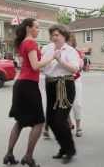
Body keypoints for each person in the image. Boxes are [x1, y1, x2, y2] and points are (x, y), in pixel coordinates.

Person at [3, 18, 55, 167]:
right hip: (28, 85)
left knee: (20, 121)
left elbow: (29, 65)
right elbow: (35, 65)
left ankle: (9, 154)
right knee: (39, 122)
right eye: (37, 27)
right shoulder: (30, 43)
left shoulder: (23, 43)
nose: (38, 30)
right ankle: (28, 157)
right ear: (28, 28)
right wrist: (52, 57)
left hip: (20, 84)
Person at [42, 24, 79, 164]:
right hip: (50, 84)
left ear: (64, 36)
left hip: (65, 85)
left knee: (60, 120)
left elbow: (75, 69)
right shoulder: (46, 49)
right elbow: (42, 67)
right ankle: (64, 147)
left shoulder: (70, 51)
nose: (54, 37)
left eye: (57, 35)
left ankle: (70, 149)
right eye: (52, 35)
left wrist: (59, 60)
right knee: (51, 121)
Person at [68, 33, 84, 137]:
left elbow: (81, 67)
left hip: (75, 80)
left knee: (77, 104)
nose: (67, 43)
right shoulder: (60, 51)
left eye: (69, 40)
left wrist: (83, 63)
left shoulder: (77, 52)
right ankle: (69, 123)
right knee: (64, 104)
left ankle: (78, 127)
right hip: (62, 80)